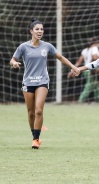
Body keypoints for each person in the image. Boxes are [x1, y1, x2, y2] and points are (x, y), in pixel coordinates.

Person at [9, 18, 80, 149]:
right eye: (37, 29)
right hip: (28, 82)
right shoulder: (23, 47)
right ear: (31, 31)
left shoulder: (47, 46)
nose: (40, 31)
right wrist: (14, 63)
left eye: (41, 29)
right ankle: (34, 134)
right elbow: (13, 59)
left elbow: (60, 57)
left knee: (39, 110)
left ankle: (36, 140)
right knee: (30, 112)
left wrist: (73, 67)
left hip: (42, 81)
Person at [68, 37, 99, 103]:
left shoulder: (85, 50)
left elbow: (79, 61)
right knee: (89, 86)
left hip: (85, 71)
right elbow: (94, 57)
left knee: (95, 85)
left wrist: (73, 69)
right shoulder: (94, 48)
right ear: (95, 43)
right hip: (91, 70)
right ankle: (80, 100)